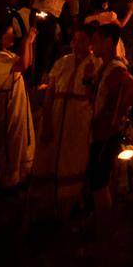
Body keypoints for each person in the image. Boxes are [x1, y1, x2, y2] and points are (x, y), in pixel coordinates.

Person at [31, 25, 97, 217]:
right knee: (50, 156)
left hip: (78, 118)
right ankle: (48, 201)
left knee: (73, 157)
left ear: (91, 44)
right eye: (75, 40)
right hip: (58, 114)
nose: (77, 44)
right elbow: (50, 92)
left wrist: (88, 80)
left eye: (82, 40)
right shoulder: (62, 63)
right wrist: (48, 118)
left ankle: (72, 200)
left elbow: (95, 98)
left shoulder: (96, 64)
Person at [85, 23, 133, 214]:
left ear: (109, 42)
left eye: (97, 40)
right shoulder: (105, 66)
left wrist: (116, 114)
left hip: (106, 132)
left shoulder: (115, 68)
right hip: (100, 130)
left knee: (99, 181)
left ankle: (104, 226)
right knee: (102, 178)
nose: (92, 45)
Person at [0, 19, 36, 189]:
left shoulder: (6, 54)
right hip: (4, 111)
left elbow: (28, 62)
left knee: (17, 138)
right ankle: (5, 179)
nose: (13, 36)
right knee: (6, 143)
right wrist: (26, 42)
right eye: (9, 34)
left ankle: (16, 175)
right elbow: (23, 65)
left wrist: (30, 43)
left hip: (15, 106)